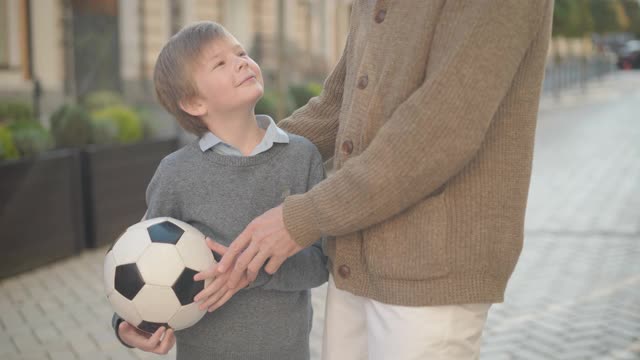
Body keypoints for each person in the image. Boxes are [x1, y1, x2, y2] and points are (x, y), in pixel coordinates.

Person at [205, 1, 555, 359]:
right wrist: (221, 168)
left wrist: (302, 218)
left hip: (432, 273)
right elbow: (338, 106)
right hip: (355, 260)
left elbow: (436, 134)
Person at [109, 21, 328, 360]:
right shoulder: (176, 173)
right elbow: (139, 263)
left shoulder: (302, 156)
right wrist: (129, 328)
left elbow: (321, 264)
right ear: (195, 103)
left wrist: (250, 269)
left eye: (241, 53)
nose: (241, 62)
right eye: (220, 63)